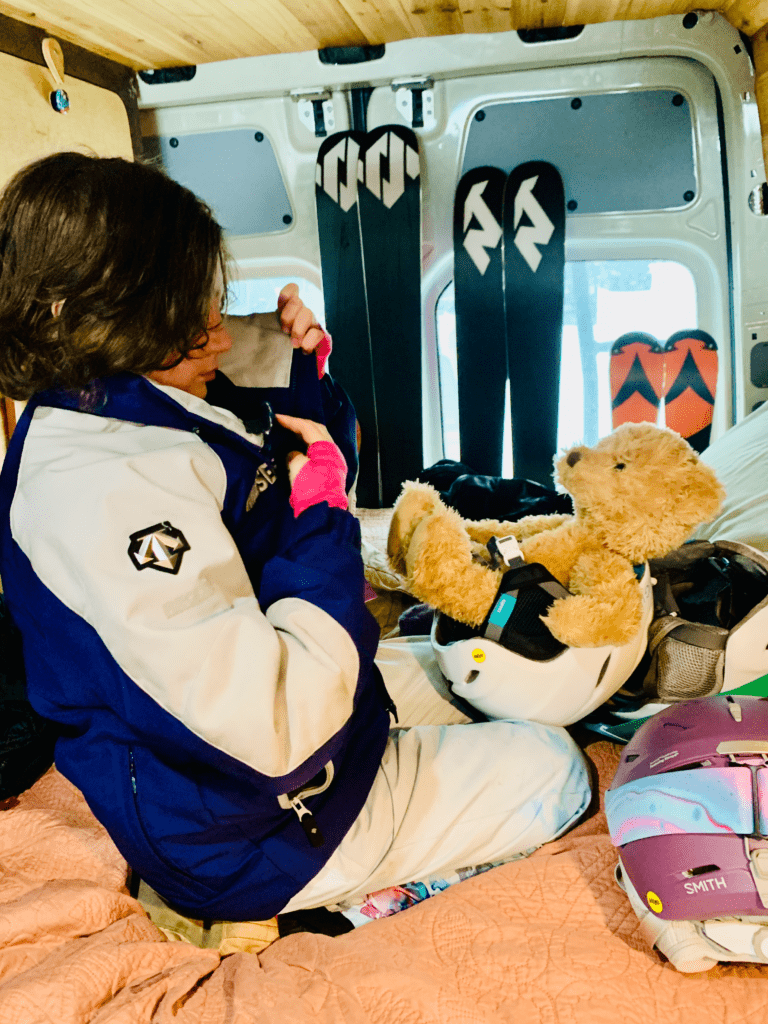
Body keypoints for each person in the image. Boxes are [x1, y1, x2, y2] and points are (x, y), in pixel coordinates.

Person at [0, 151, 591, 923]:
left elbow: (287, 453)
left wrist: (308, 371)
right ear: (119, 315)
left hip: (288, 758)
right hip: (258, 831)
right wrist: (325, 522)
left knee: (487, 670)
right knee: (558, 767)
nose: (216, 334)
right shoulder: (101, 490)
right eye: (194, 313)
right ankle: (363, 898)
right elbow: (274, 725)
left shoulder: (124, 398)